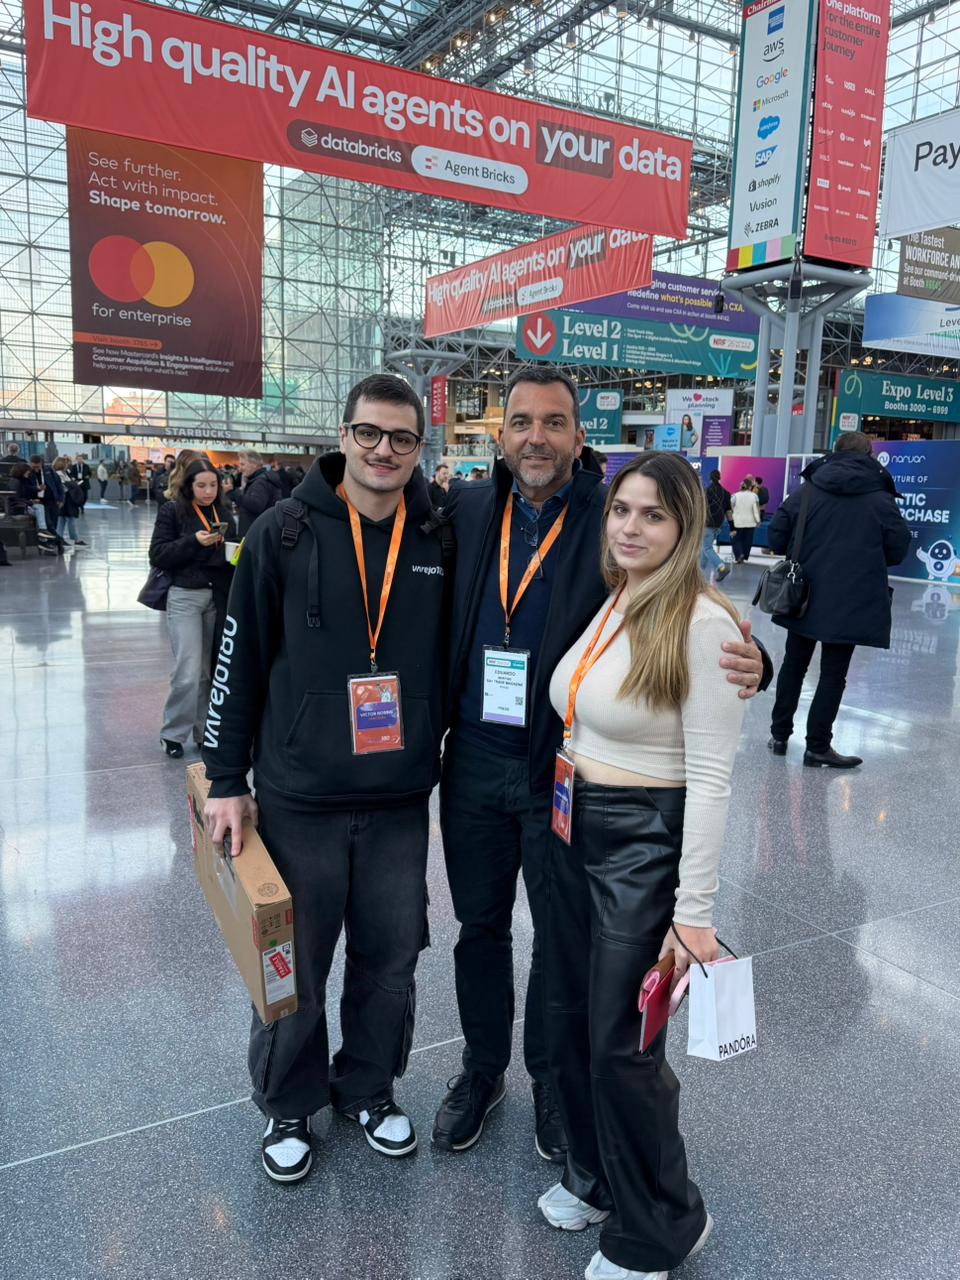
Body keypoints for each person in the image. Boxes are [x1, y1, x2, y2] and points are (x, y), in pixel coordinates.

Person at [433, 365, 768, 1165]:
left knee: (559, 941)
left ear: (578, 436)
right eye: (522, 422)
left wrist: (758, 663)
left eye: (554, 423)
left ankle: (554, 1081)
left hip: (559, 772)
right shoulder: (466, 510)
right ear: (501, 434)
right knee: (479, 927)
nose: (537, 437)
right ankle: (482, 1070)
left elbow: (686, 602)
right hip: (473, 761)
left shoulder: (609, 514)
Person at [201, 374, 452, 1184]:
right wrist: (226, 778)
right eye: (369, 433)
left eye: (402, 438)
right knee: (293, 967)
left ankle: (368, 1089)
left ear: (418, 448)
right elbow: (234, 659)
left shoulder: (437, 539)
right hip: (299, 797)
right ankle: (287, 1101)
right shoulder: (280, 533)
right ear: (343, 436)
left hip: (398, 801)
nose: (384, 450)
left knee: (391, 960)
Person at [540, 452, 745, 1280]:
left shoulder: (704, 625)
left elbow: (713, 779)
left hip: (642, 845)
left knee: (623, 1043)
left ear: (685, 526)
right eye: (622, 509)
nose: (631, 527)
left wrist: (692, 912)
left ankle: (662, 1226)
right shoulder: (620, 595)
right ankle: (595, 1178)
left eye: (653, 515)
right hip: (573, 826)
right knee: (568, 1016)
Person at [768, 432, 911, 768]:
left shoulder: (807, 490)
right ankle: (817, 746)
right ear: (870, 456)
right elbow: (898, 549)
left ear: (833, 453)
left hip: (802, 594)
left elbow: (776, 535)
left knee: (794, 664)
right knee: (834, 674)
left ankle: (779, 735)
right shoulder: (881, 498)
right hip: (852, 597)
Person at [149, 458, 234, 759]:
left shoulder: (223, 513)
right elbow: (158, 554)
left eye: (213, 485)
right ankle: (172, 733)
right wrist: (194, 542)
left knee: (206, 672)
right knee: (187, 669)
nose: (208, 491)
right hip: (184, 596)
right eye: (201, 485)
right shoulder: (172, 511)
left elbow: (227, 555)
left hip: (215, 597)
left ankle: (203, 730)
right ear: (189, 486)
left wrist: (235, 553)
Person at [233, 450, 282, 536]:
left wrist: (234, 493)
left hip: (256, 533)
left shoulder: (260, 482)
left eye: (243, 464)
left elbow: (256, 505)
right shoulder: (261, 479)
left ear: (254, 464)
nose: (240, 469)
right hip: (262, 532)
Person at [701, 469, 731, 583]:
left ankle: (721, 567)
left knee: (706, 548)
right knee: (705, 547)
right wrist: (732, 527)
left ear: (710, 478)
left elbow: (701, 509)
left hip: (707, 524)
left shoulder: (706, 491)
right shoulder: (726, 493)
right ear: (719, 478)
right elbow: (729, 512)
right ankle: (699, 573)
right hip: (718, 525)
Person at [53, 457, 87, 546]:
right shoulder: (59, 474)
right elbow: (63, 487)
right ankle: (75, 539)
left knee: (62, 519)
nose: (67, 465)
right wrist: (73, 484)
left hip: (66, 499)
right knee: (70, 519)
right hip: (67, 500)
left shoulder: (63, 473)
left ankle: (59, 538)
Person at [28, 454, 63, 535]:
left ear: (41, 463)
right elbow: (27, 487)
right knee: (48, 523)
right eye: (34, 467)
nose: (36, 469)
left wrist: (61, 499)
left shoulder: (49, 470)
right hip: (40, 501)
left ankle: (53, 538)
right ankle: (56, 539)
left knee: (54, 521)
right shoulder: (28, 473)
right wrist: (36, 488)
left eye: (38, 467)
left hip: (52, 500)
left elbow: (58, 484)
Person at [729, 477, 760, 563]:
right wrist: (758, 520)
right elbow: (756, 509)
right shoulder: (754, 496)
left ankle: (739, 554)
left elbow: (731, 508)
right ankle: (745, 555)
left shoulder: (735, 496)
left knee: (736, 539)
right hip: (750, 522)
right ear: (750, 487)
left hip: (738, 522)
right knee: (748, 540)